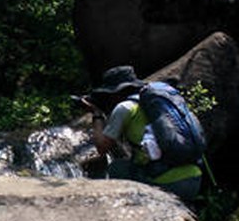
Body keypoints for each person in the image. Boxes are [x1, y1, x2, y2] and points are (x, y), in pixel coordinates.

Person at [87, 65, 202, 202]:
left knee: (117, 168)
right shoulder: (158, 104)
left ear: (116, 92)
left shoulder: (124, 108)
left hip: (170, 182)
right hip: (194, 178)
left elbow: (102, 147)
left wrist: (97, 115)